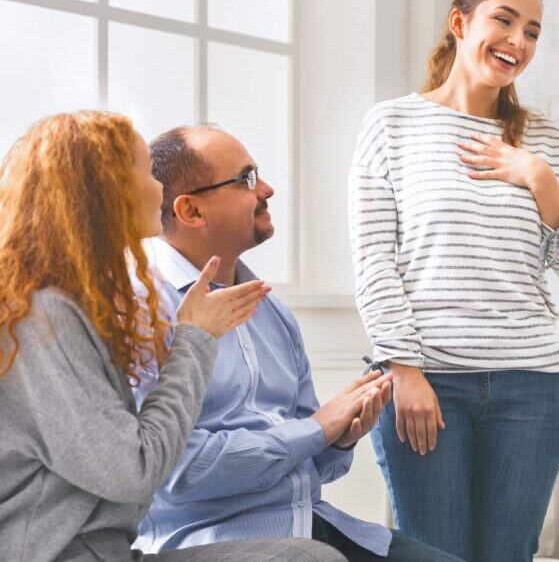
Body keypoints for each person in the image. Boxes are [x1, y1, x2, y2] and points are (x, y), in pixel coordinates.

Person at [0, 111, 342, 561]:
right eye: (143, 171)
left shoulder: (73, 304)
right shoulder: (41, 317)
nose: (159, 187)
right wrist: (195, 338)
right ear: (100, 191)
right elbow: (136, 472)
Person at [348, 0, 559, 560]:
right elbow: (374, 262)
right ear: (461, 24)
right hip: (428, 384)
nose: (519, 42)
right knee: (433, 553)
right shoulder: (392, 125)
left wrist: (538, 179)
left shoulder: (545, 140)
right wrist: (403, 368)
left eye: (533, 32)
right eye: (504, 20)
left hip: (531, 389)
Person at [134, 125, 460, 562]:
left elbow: (311, 467)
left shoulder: (273, 313)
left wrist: (341, 435)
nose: (266, 189)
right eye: (245, 179)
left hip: (311, 521)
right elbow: (178, 472)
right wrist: (318, 429)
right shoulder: (140, 311)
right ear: (191, 210)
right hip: (210, 541)